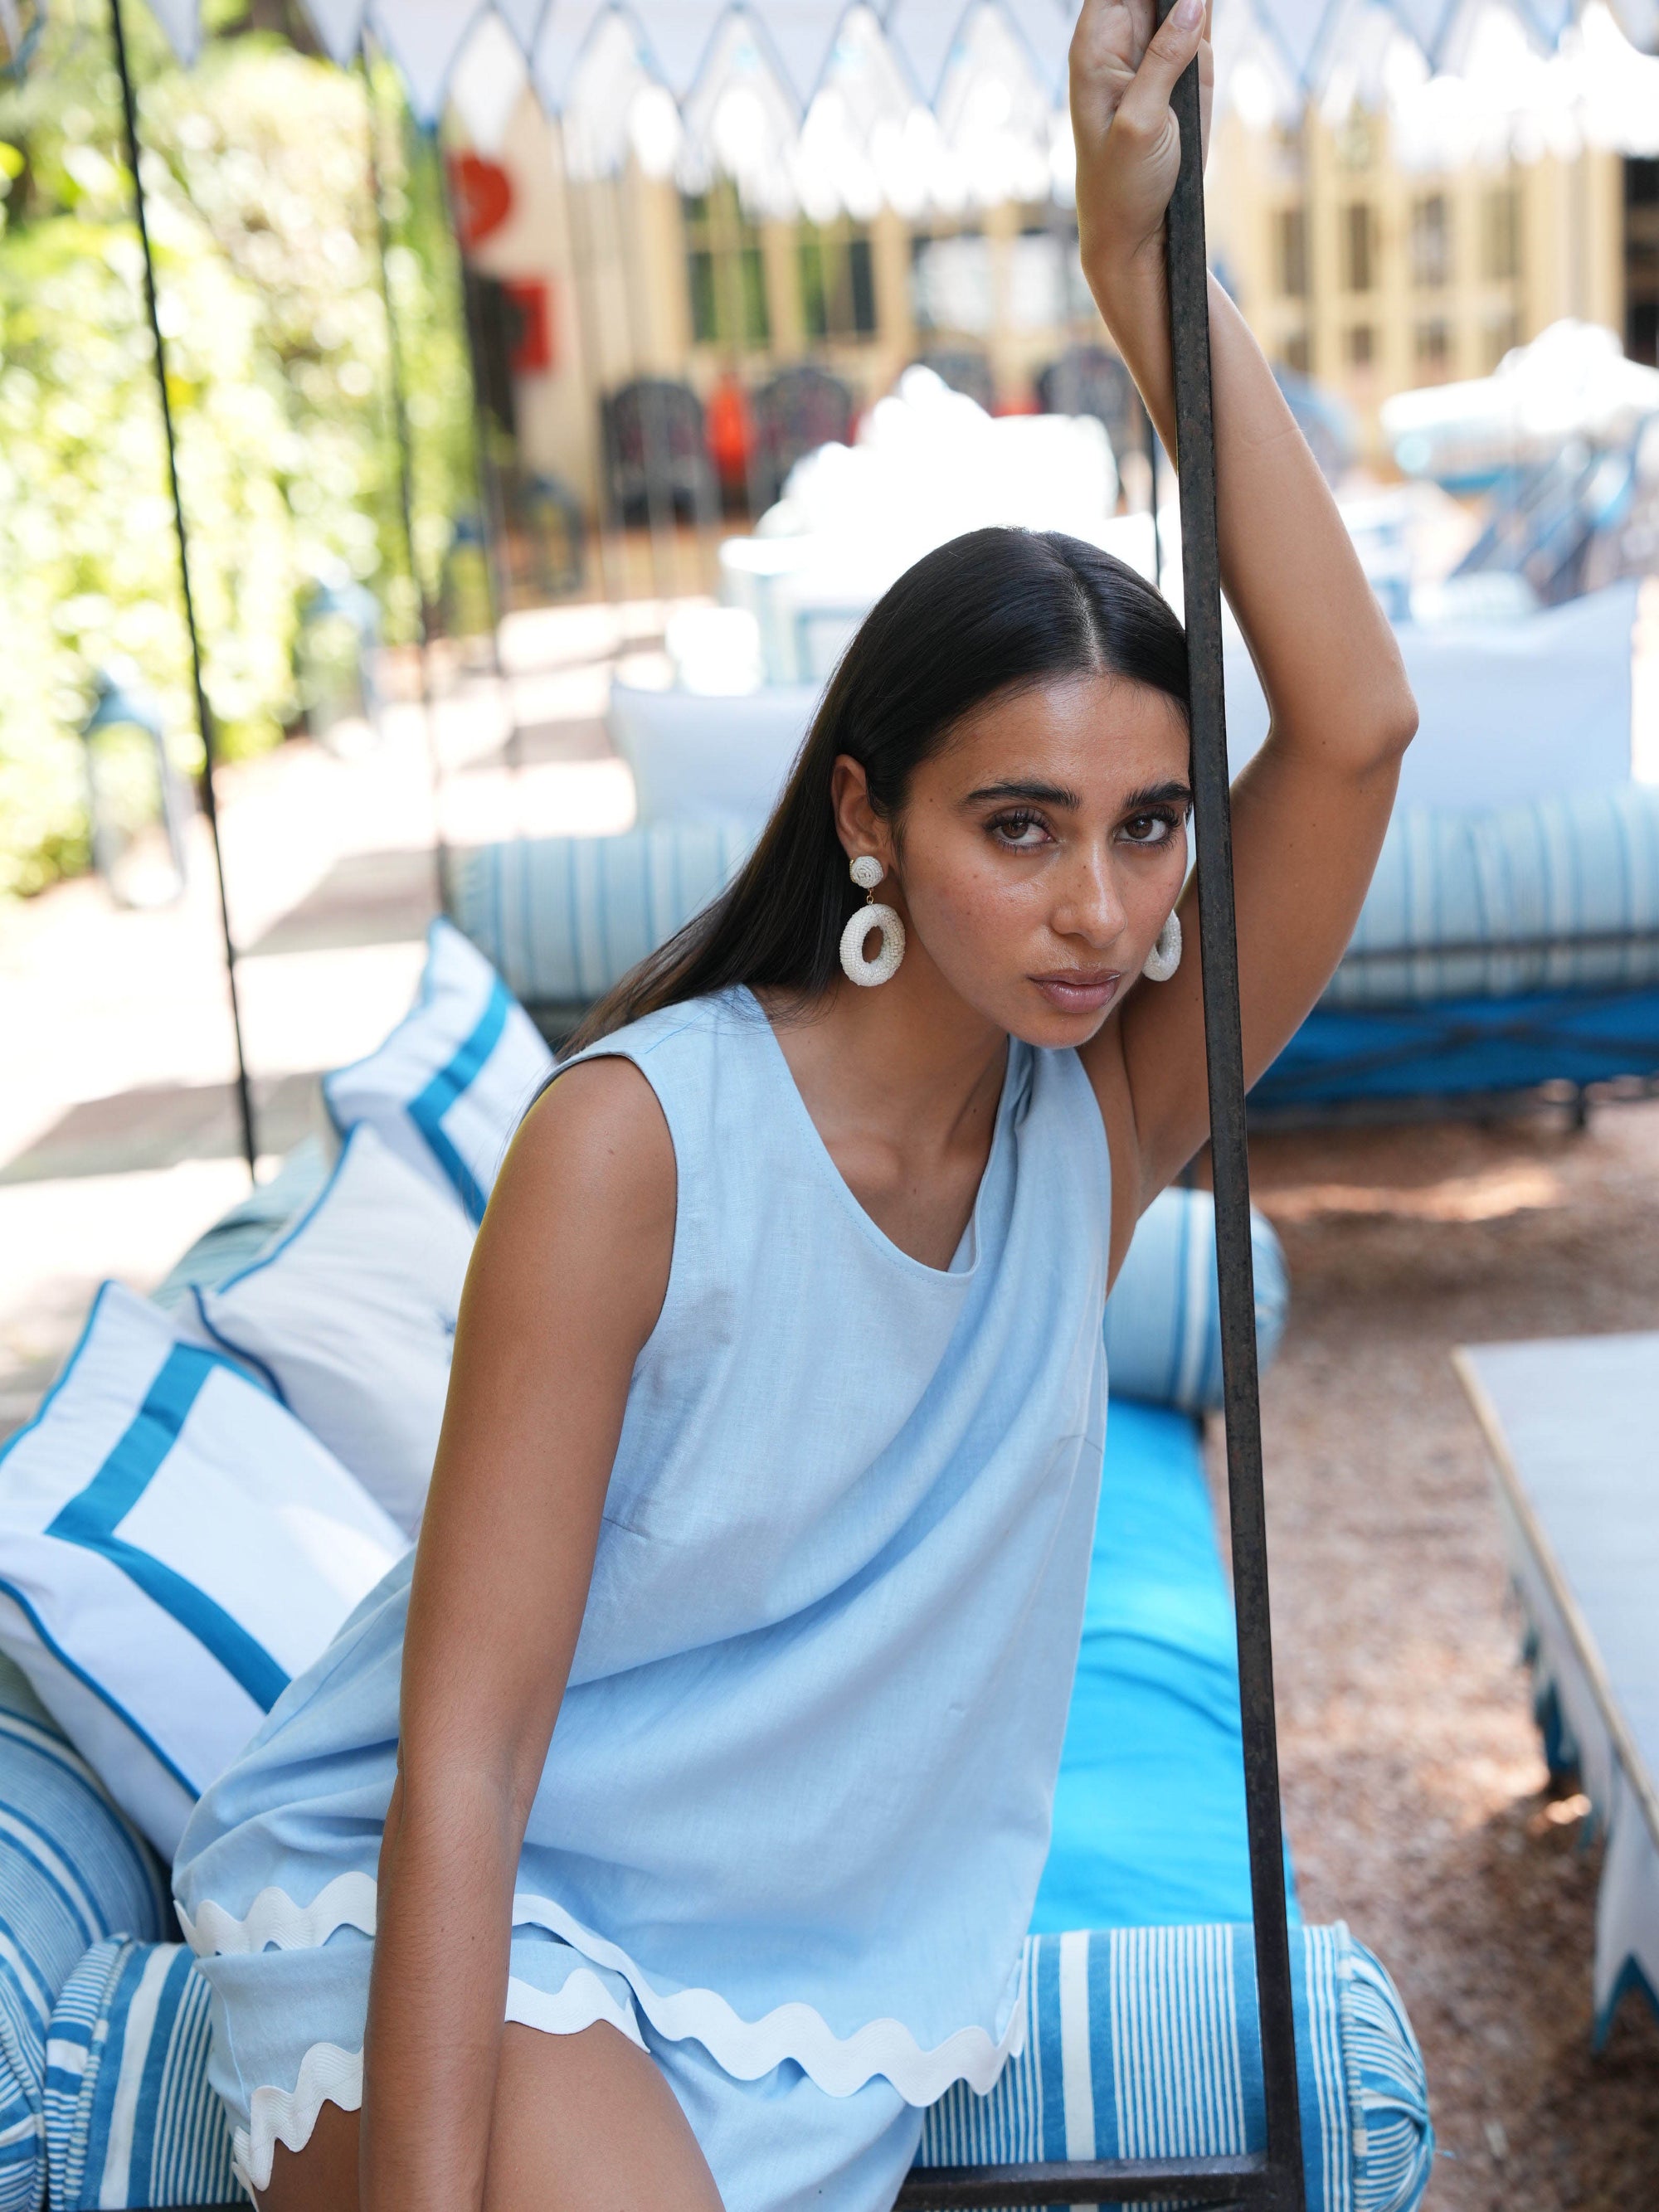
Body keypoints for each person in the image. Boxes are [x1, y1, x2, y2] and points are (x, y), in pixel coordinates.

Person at [173, 2, 1417, 2205]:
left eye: (1147, 831)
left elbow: (1352, 729)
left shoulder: (1095, 1129)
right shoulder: (635, 1144)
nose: (1103, 907)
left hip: (814, 1969)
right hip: (477, 1908)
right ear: (866, 814)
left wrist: (1140, 283)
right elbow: (464, 1754)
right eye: (1019, 825)